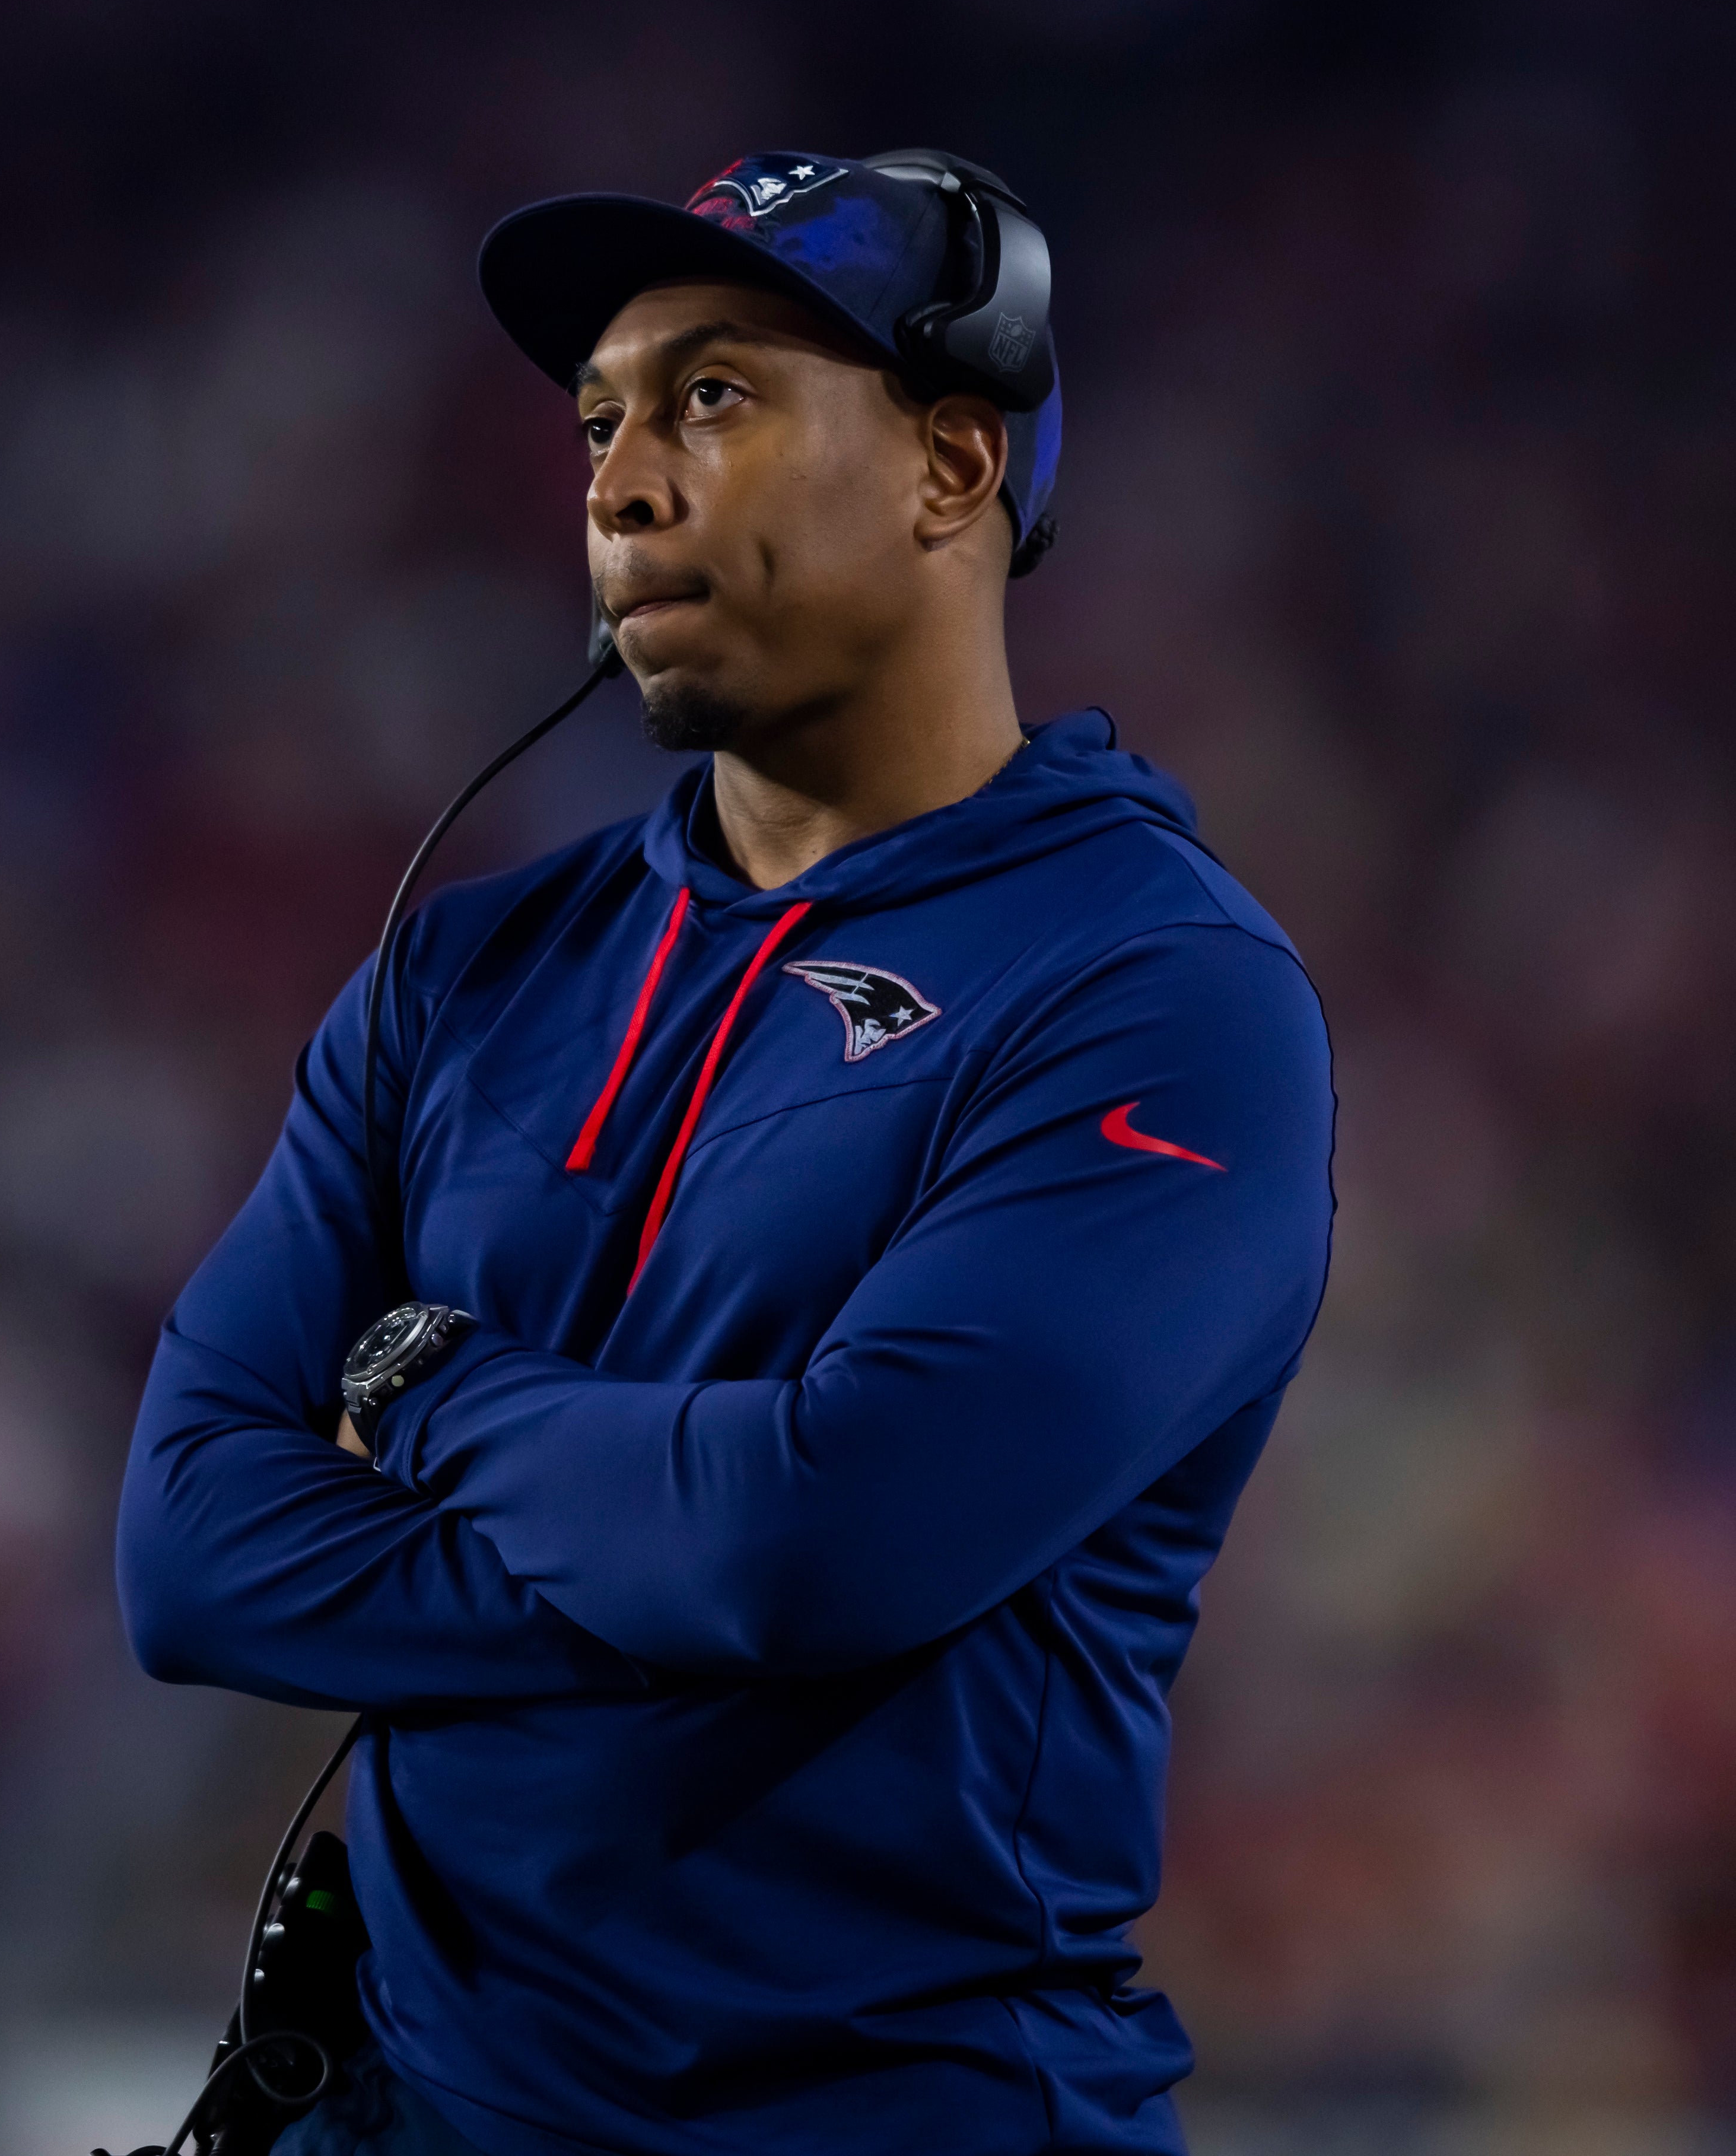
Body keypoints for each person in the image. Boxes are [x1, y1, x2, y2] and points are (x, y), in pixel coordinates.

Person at [117, 148, 1336, 2156]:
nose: (618, 485)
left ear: (953, 462)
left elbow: (818, 1545)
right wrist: (708, 1570)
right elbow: (186, 1555)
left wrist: (427, 1384)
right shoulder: (462, 969)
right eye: (597, 422)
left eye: (711, 397)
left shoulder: (1159, 995)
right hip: (409, 2114)